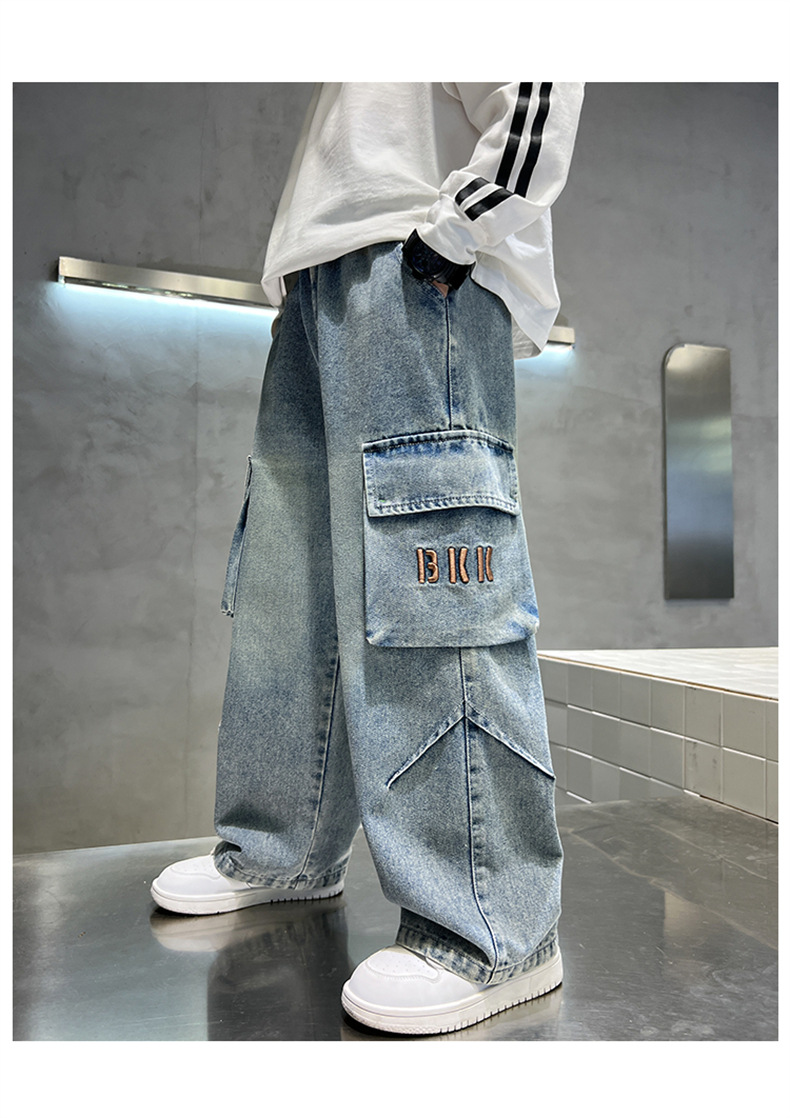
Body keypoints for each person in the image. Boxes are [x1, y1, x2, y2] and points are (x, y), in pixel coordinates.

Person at [151, 82, 585, 1036]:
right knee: (290, 583)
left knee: (431, 580)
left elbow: (540, 84)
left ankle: (492, 923)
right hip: (315, 275)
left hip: (417, 263)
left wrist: (456, 231)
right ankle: (283, 849)